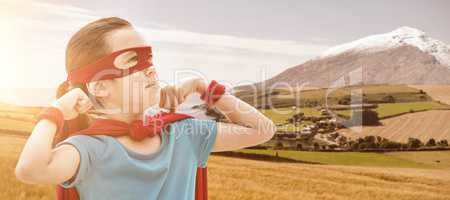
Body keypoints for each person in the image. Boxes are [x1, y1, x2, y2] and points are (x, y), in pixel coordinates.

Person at [15, 17, 276, 200]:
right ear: (99, 87)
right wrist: (57, 111)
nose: (150, 68)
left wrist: (204, 87)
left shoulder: (183, 134)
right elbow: (30, 170)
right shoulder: (89, 149)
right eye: (132, 61)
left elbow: (262, 129)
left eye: (149, 58)